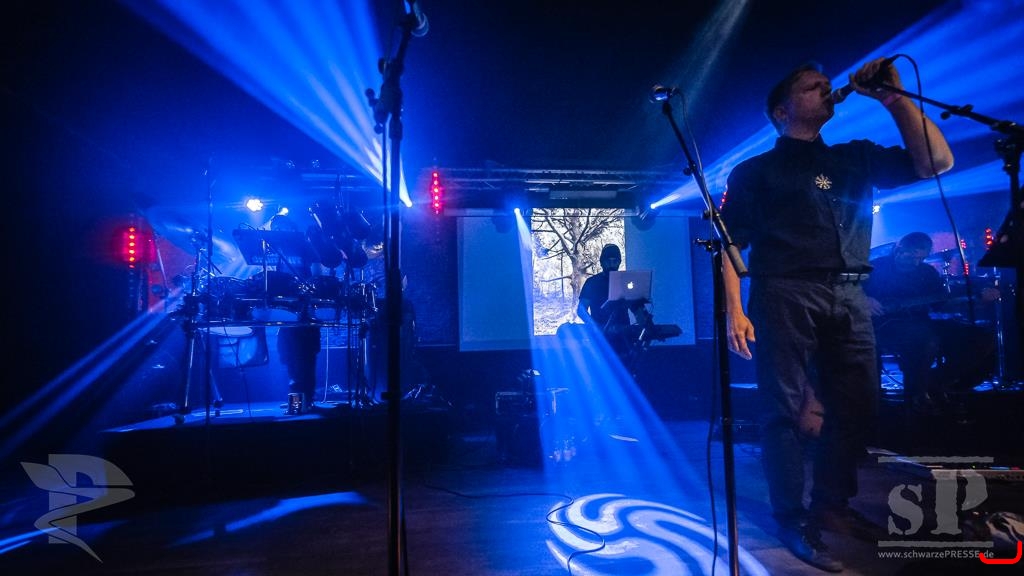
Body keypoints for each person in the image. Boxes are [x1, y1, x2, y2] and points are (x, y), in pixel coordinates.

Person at [719, 58, 954, 572]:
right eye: (811, 87)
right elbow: (730, 246)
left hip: (849, 293)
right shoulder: (755, 171)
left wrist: (894, 99)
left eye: (827, 84)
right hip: (784, 293)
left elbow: (937, 162)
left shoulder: (854, 157)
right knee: (783, 409)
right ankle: (791, 516)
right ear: (782, 111)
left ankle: (831, 505)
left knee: (857, 405)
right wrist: (735, 310)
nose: (826, 89)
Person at [865, 231, 998, 413]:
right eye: (912, 257)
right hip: (885, 326)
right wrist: (865, 299)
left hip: (921, 323)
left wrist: (975, 298)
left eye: (921, 258)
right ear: (899, 248)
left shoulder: (926, 272)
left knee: (981, 338)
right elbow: (852, 291)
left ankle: (935, 383)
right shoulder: (876, 267)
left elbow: (941, 303)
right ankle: (917, 397)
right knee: (925, 338)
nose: (916, 263)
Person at [576, 244, 650, 363]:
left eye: (615, 261)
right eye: (608, 261)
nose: (611, 264)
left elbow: (637, 309)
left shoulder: (626, 282)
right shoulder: (592, 283)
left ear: (619, 262)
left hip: (624, 338)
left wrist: (643, 324)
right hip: (601, 338)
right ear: (602, 262)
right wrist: (596, 327)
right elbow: (581, 310)